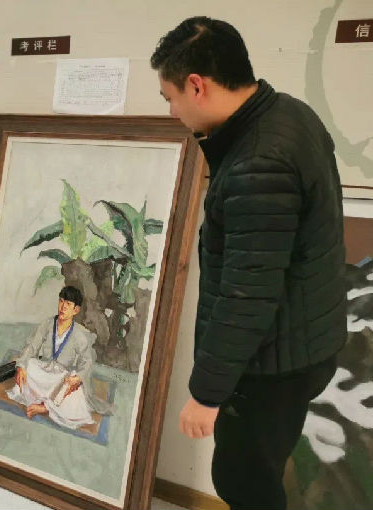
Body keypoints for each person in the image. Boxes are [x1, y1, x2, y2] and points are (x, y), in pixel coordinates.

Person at [150, 17, 347, 510]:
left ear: (197, 85)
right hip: (302, 342)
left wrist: (206, 395)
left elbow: (247, 296)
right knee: (259, 470)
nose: (172, 111)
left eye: (170, 97)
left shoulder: (257, 162)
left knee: (242, 482)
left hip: (271, 364)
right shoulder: (290, 113)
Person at [7, 286, 113, 429]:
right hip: (45, 370)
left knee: (74, 388)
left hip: (61, 376)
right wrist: (21, 366)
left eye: (68, 304)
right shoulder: (47, 324)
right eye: (61, 301)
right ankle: (46, 402)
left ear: (76, 310)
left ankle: (45, 407)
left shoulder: (79, 335)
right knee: (29, 365)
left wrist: (78, 377)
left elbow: (86, 361)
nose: (63, 307)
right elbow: (32, 346)